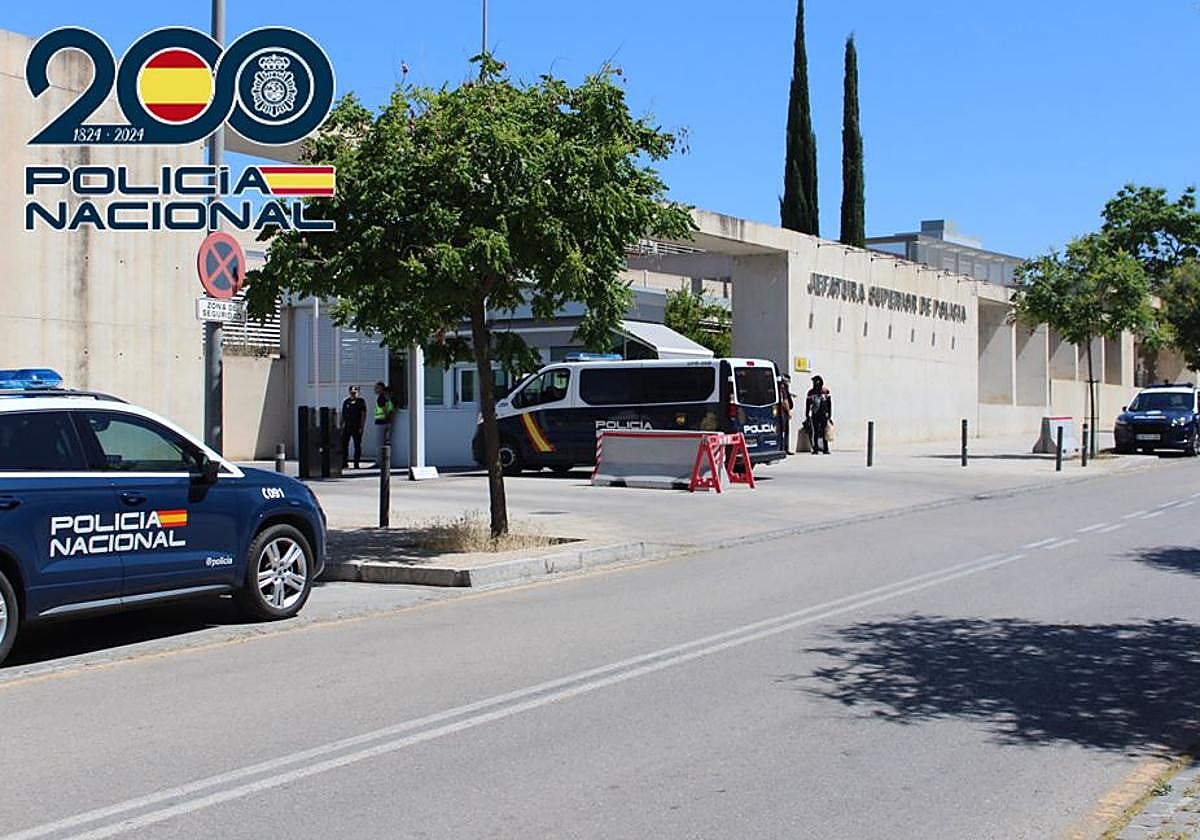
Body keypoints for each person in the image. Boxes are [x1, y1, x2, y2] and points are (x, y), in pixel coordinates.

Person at [340, 385, 367, 469]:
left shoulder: (361, 401)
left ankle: (356, 463)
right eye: (352, 392)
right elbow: (343, 415)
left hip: (357, 426)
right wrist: (341, 425)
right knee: (344, 445)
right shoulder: (346, 402)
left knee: (357, 445)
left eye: (355, 392)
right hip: (347, 426)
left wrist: (361, 427)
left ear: (358, 392)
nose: (353, 394)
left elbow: (363, 415)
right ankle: (344, 462)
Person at [805, 374, 832, 455]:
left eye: (817, 382)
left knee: (824, 431)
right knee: (816, 431)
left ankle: (825, 448)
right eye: (814, 382)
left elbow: (829, 404)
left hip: (824, 414)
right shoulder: (811, 392)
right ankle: (816, 448)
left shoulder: (826, 391)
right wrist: (806, 413)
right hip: (815, 413)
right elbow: (808, 404)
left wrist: (829, 414)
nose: (815, 384)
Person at [373, 381, 396, 454]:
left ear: (380, 388)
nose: (375, 389)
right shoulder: (387, 397)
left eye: (376, 388)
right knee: (386, 443)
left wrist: (386, 417)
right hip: (388, 422)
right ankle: (386, 462)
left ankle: (380, 463)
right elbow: (392, 409)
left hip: (381, 422)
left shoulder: (381, 398)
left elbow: (385, 410)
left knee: (380, 444)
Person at [777, 374, 795, 454]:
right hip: (783, 412)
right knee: (784, 430)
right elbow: (784, 401)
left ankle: (784, 448)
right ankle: (784, 448)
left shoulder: (782, 387)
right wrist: (788, 411)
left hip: (782, 412)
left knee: (784, 431)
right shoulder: (782, 387)